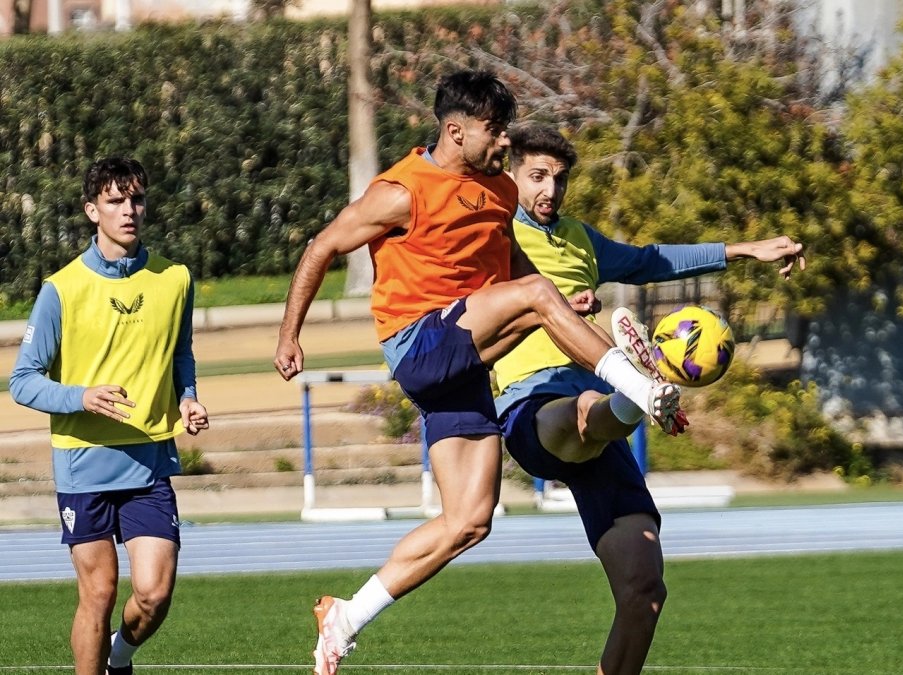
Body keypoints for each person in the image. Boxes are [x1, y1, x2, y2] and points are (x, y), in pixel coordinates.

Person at [272, 70, 684, 675]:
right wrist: (289, 334)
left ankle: (345, 616)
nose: (504, 143)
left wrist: (556, 306)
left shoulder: (498, 192)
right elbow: (321, 248)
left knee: (469, 521)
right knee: (539, 296)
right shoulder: (401, 191)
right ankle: (635, 384)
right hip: (419, 343)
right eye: (495, 131)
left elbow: (513, 266)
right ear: (455, 129)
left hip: (463, 370)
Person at [494, 123, 804, 674]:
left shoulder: (578, 238)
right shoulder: (492, 233)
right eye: (537, 176)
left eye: (559, 179)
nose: (550, 191)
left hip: (595, 402)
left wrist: (746, 250)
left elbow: (652, 260)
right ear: (511, 173)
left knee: (645, 589)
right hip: (533, 404)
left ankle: (637, 391)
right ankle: (638, 389)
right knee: (587, 416)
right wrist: (557, 305)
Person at [9, 157, 209, 675]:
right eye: (116, 201)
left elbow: (180, 353)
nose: (129, 211)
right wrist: (81, 397)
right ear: (91, 210)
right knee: (99, 592)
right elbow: (23, 381)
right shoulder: (60, 290)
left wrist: (187, 396)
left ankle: (118, 658)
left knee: (154, 594)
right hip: (83, 463)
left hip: (148, 461)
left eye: (136, 200)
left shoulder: (176, 279)